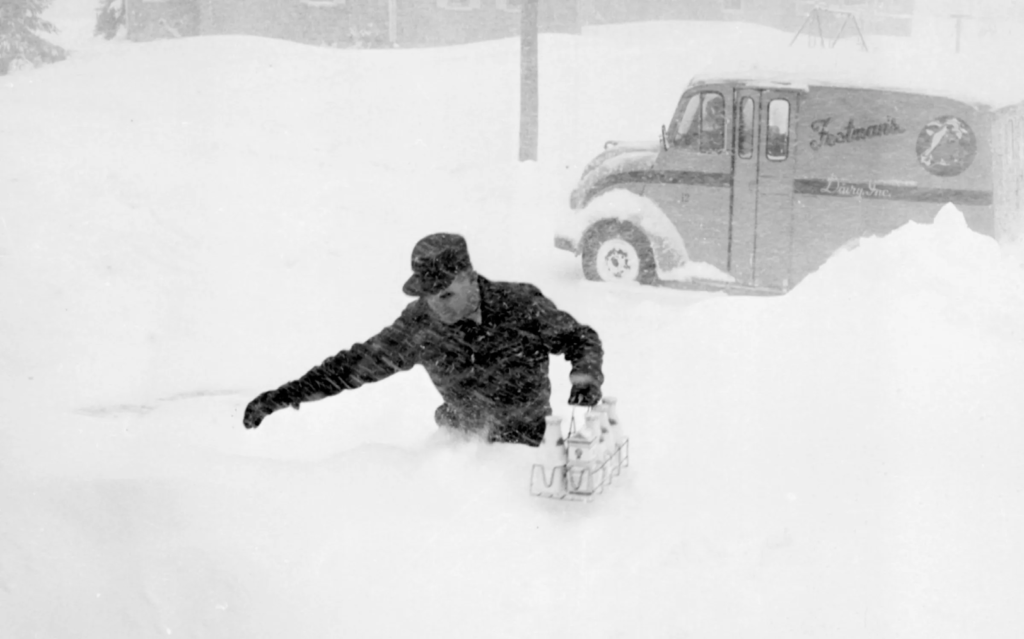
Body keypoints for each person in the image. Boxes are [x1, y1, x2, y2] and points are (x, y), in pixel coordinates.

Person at [242, 233, 604, 446]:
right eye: (427, 297)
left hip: (527, 444)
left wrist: (585, 376)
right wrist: (285, 395)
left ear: (469, 277)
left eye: (444, 295)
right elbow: (356, 365)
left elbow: (580, 339)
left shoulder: (521, 305)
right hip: (460, 443)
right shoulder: (420, 325)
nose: (436, 307)